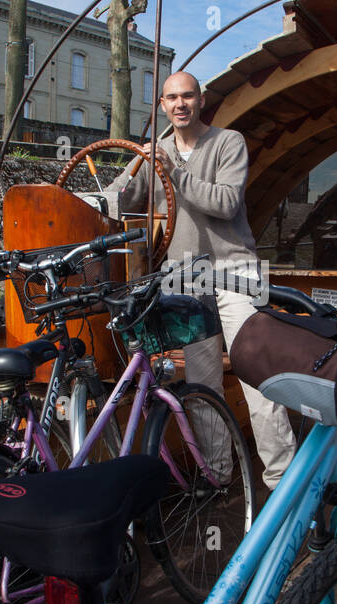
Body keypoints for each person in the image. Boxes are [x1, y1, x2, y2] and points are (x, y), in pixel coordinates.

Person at [111, 71, 296, 489]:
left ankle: (284, 482)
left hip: (236, 272)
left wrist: (171, 169)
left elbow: (226, 204)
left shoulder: (228, 142)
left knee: (258, 375)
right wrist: (138, 167)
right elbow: (118, 201)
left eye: (188, 96)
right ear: (161, 105)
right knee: (201, 385)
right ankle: (217, 475)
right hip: (183, 277)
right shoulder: (156, 153)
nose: (180, 104)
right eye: (172, 98)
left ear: (201, 100)